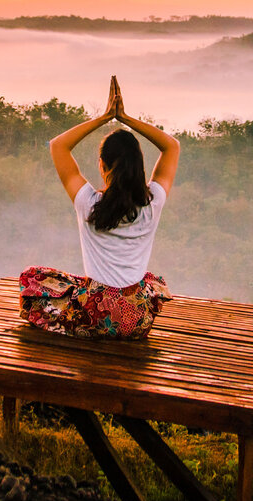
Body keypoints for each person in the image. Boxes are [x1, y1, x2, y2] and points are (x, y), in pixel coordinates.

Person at [19, 76, 180, 339]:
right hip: (136, 321)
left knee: (31, 278)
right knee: (150, 281)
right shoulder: (153, 203)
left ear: (102, 166)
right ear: (139, 168)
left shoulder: (88, 203)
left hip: (93, 315)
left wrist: (106, 117)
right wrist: (125, 118)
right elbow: (171, 146)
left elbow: (59, 145)